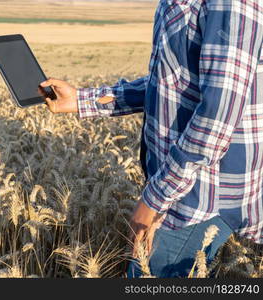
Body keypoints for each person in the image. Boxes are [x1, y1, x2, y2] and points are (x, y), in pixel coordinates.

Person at [39, 0, 263, 278]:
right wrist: (83, 100)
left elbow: (218, 114)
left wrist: (156, 199)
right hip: (182, 185)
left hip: (201, 194)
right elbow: (173, 83)